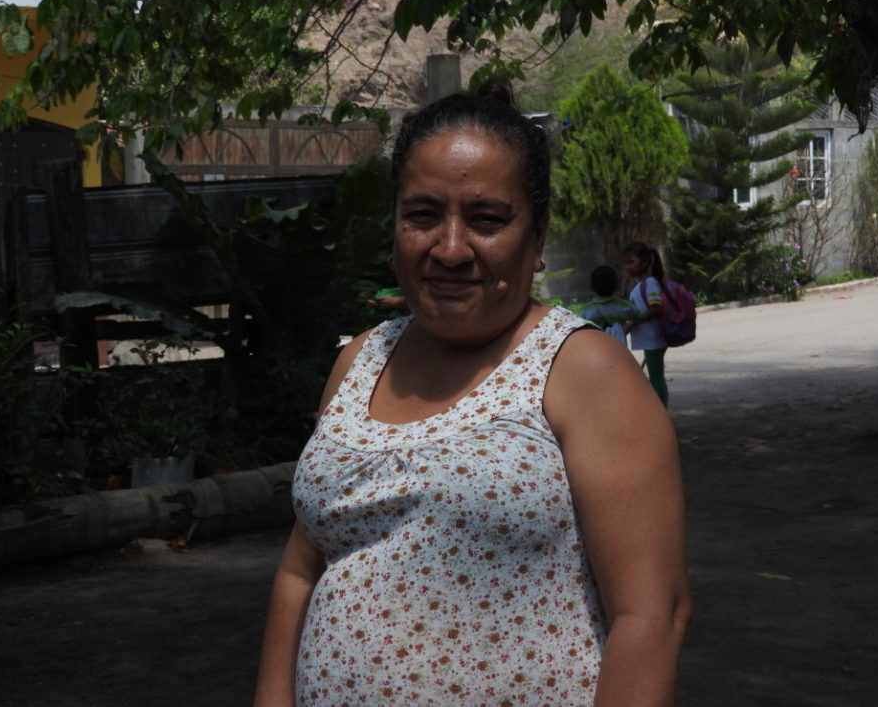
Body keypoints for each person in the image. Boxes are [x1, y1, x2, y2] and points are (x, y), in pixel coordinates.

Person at [254, 82, 690, 706]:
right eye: (423, 215)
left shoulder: (583, 370)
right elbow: (302, 568)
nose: (451, 249)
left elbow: (651, 615)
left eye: (486, 219)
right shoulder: (360, 361)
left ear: (537, 237)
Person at [625, 242, 670, 407]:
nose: (628, 266)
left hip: (653, 339)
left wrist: (635, 321)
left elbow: (656, 308)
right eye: (626, 263)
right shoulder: (639, 285)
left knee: (656, 378)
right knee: (655, 377)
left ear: (644, 262)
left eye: (631, 261)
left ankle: (661, 411)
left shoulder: (650, 283)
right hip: (649, 339)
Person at [579, 264, 640, 346]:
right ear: (616, 286)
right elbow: (638, 315)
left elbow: (580, 328)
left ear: (592, 286)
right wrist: (627, 327)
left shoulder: (587, 310)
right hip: (619, 347)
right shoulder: (623, 306)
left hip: (598, 348)